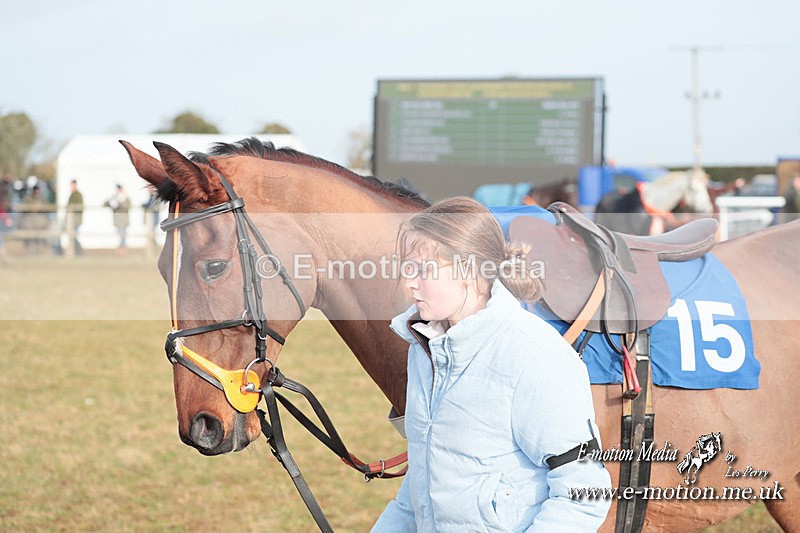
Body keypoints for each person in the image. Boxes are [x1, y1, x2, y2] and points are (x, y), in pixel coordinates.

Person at [373, 197, 611, 532]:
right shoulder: (423, 349)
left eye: (424, 270)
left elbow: (584, 492)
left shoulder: (535, 354)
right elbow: (421, 486)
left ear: (469, 271)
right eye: (408, 269)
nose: (410, 283)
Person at [104, 184, 131, 254]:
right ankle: (123, 250)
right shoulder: (114, 197)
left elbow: (129, 205)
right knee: (122, 235)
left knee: (122, 235)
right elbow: (105, 204)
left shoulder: (125, 198)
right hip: (117, 220)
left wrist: (120, 205)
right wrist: (110, 204)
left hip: (124, 220)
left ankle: (121, 250)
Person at [66, 179, 84, 255]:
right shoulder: (72, 194)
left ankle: (79, 251)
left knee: (74, 236)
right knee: (72, 236)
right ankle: (76, 252)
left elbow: (80, 207)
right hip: (71, 220)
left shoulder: (78, 195)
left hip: (76, 219)